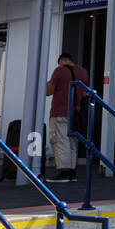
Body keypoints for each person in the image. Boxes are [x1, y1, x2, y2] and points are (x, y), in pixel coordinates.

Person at [45, 53, 89, 183]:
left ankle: (64, 172)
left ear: (62, 61)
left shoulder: (59, 71)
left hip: (60, 111)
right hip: (76, 112)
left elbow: (49, 91)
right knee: (72, 142)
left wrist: (48, 82)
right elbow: (84, 93)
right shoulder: (83, 72)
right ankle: (72, 172)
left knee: (60, 140)